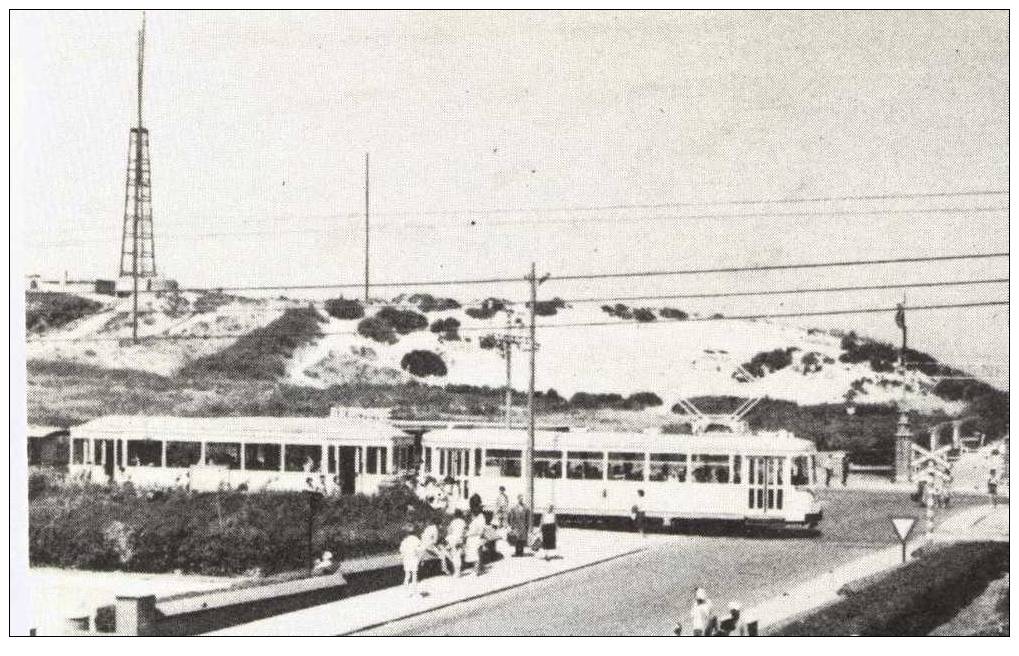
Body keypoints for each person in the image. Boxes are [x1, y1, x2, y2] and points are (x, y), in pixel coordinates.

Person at [399, 526, 422, 597]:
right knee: (414, 576)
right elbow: (419, 550)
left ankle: (406, 592)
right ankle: (415, 592)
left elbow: (401, 551)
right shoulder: (416, 539)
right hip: (414, 559)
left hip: (406, 559)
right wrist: (421, 559)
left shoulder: (404, 541)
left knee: (407, 575)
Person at [464, 509, 488, 576]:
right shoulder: (477, 521)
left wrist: (466, 534)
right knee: (476, 555)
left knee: (475, 555)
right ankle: (477, 569)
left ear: (473, 515)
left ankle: (477, 570)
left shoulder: (474, 522)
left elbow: (473, 531)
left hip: (473, 538)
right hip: (476, 538)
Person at [443, 510, 467, 577]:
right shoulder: (463, 522)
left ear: (455, 515)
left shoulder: (453, 522)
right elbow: (464, 531)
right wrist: (463, 539)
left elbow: (449, 531)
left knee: (454, 555)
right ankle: (458, 571)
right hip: (459, 539)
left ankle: (457, 572)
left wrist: (447, 540)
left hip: (453, 539)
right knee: (457, 555)